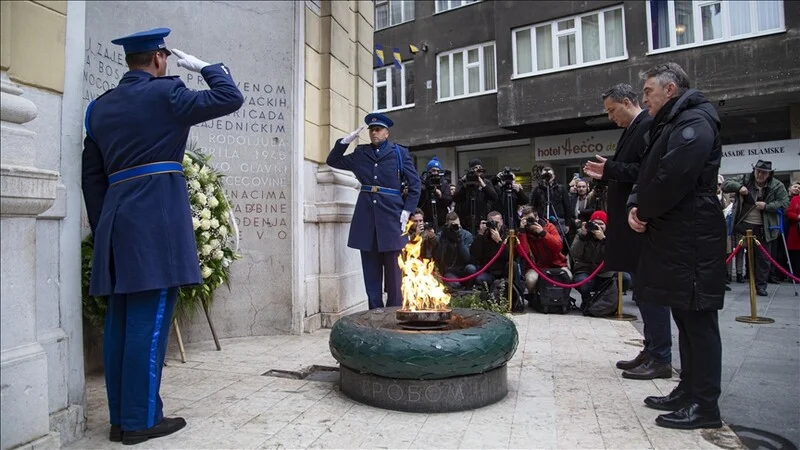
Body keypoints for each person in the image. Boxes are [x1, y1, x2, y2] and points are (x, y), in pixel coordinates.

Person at [81, 28, 244, 444]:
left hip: (116, 223)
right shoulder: (166, 94)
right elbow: (231, 97)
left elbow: (92, 179)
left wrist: (106, 230)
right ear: (158, 58)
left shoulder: (98, 109)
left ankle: (122, 417)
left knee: (120, 322)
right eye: (167, 59)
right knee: (150, 323)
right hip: (155, 224)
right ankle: (141, 420)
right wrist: (208, 68)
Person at [627, 62, 726, 429]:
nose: (644, 99)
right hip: (678, 237)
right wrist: (636, 205)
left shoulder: (695, 121)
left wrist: (644, 208)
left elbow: (673, 175)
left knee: (699, 321)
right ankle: (688, 390)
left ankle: (705, 407)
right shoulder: (672, 121)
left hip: (694, 238)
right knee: (685, 317)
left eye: (649, 91)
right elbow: (650, 171)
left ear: (670, 90)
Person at [584, 83, 672, 381]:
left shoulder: (647, 124)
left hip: (639, 224)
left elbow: (644, 171)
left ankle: (660, 355)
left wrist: (610, 170)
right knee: (643, 290)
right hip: (629, 222)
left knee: (649, 290)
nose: (610, 117)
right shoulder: (636, 127)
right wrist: (608, 170)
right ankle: (651, 349)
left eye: (612, 110)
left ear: (626, 101)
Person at [326, 113, 421, 310]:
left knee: (395, 274)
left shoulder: (399, 153)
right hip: (366, 217)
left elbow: (415, 185)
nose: (374, 133)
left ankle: (394, 312)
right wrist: (345, 141)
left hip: (392, 217)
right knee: (371, 272)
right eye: (371, 130)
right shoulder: (361, 154)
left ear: (387, 133)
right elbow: (333, 160)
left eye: (378, 129)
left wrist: (407, 210)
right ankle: (375, 313)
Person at [723, 160, 790, 295]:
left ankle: (761, 286)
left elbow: (785, 202)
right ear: (754, 170)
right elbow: (725, 184)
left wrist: (767, 206)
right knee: (734, 252)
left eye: (764, 173)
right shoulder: (745, 179)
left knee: (763, 259)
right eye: (758, 171)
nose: (760, 175)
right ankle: (733, 277)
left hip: (764, 227)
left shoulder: (777, 185)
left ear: (769, 174)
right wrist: (738, 187)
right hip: (742, 224)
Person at [418, 157, 452, 229]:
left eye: (437, 171)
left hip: (441, 221)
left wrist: (440, 195)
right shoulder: (423, 183)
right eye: (433, 170)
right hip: (427, 220)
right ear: (428, 171)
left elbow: (449, 200)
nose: (435, 173)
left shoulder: (444, 183)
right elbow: (419, 202)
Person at [786, 182, 800, 275]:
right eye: (795, 187)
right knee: (795, 255)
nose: (797, 189)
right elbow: (789, 213)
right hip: (795, 230)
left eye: (799, 188)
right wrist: (798, 217)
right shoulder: (795, 199)